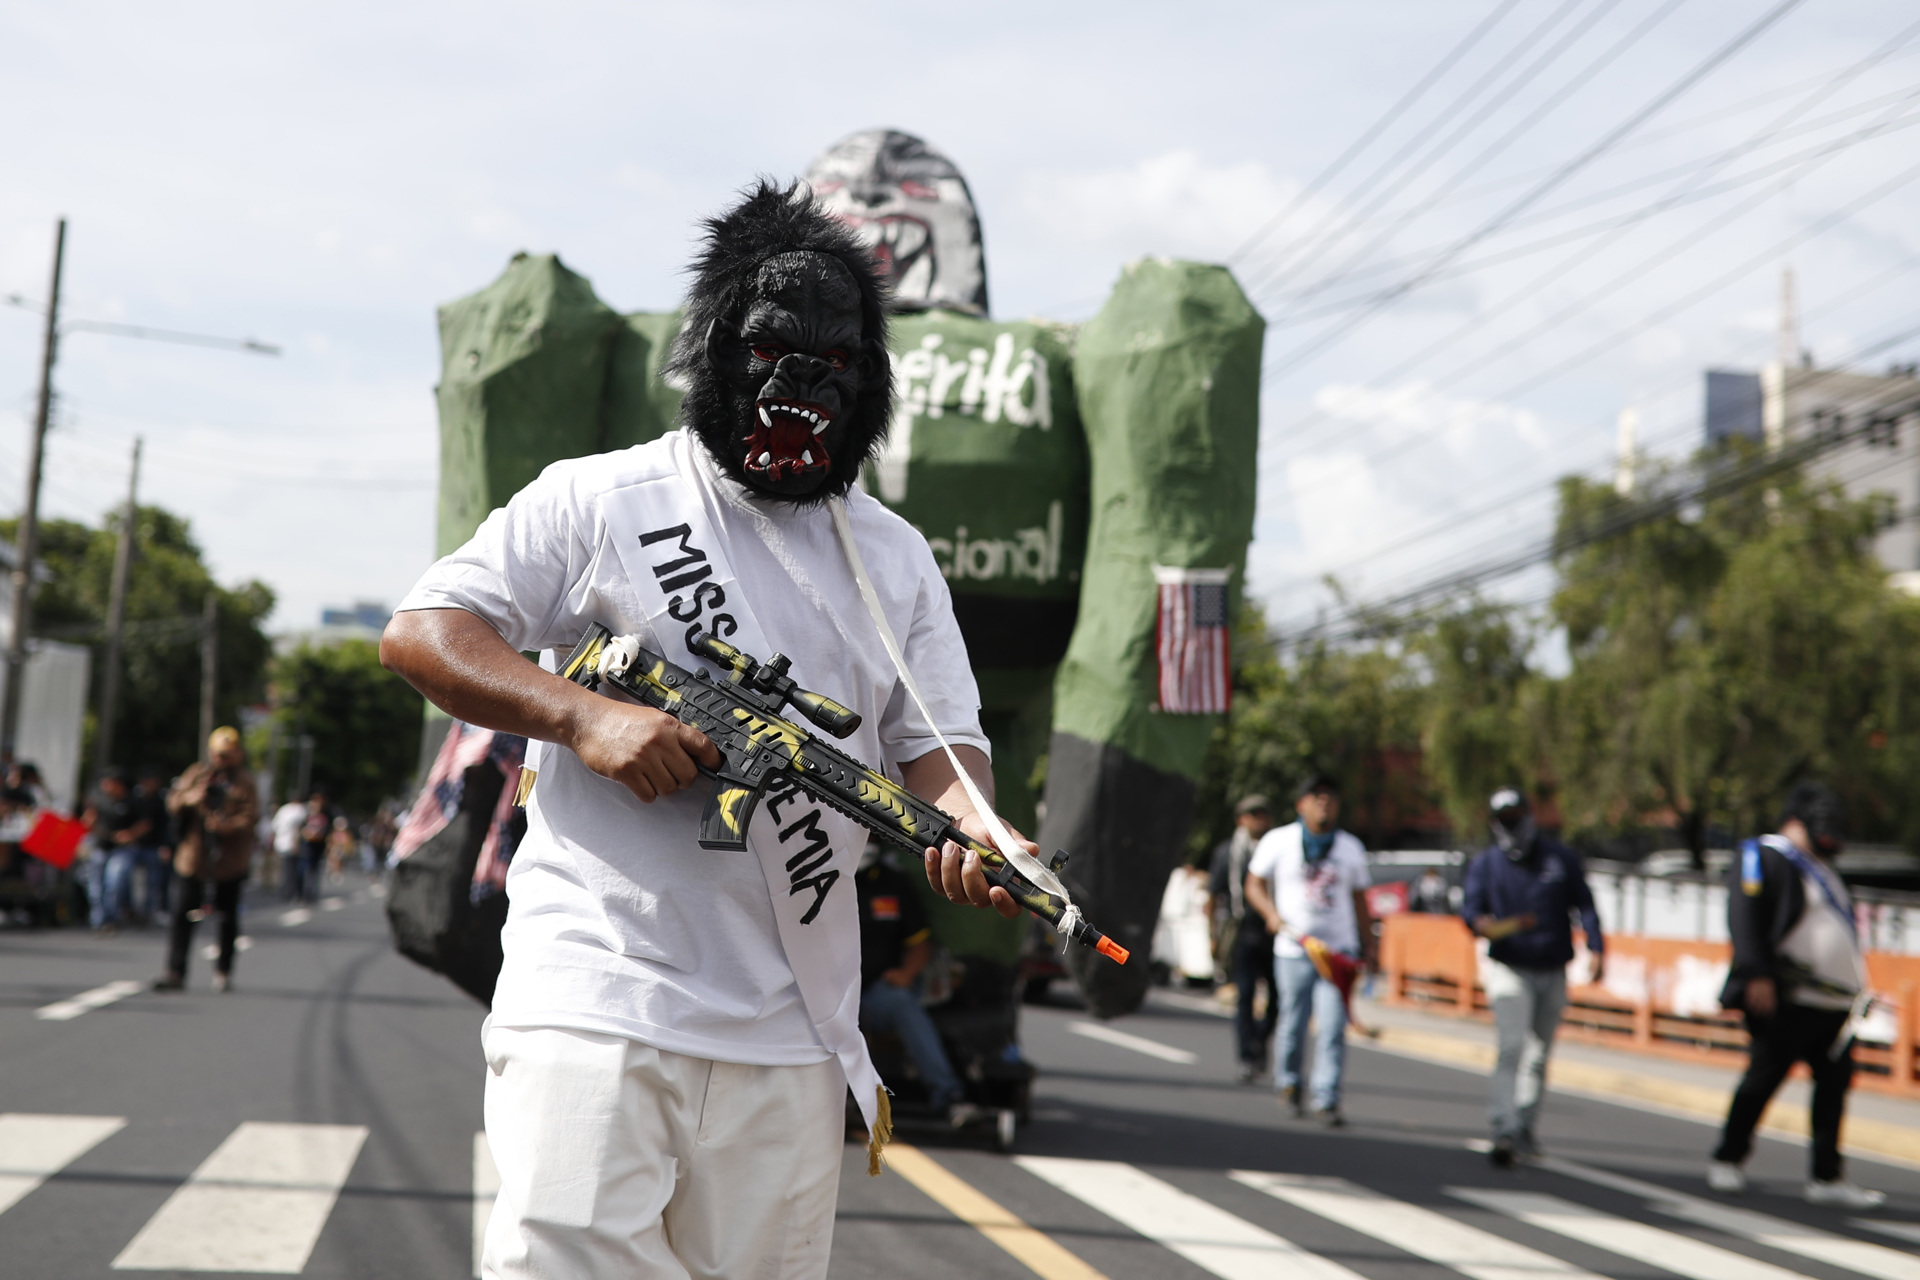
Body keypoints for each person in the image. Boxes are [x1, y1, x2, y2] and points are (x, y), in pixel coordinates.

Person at [379, 181, 1020, 1280]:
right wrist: (582, 716)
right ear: (716, 349)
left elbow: (939, 747)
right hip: (596, 991)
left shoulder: (897, 558)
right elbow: (423, 632)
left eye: (837, 359)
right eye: (772, 350)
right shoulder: (601, 499)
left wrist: (981, 829)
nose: (802, 384)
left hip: (790, 1026)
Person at [1708, 782, 1883, 1208]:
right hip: (1787, 998)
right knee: (1763, 1079)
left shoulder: (1824, 868)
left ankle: (1826, 1176)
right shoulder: (1764, 855)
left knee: (1834, 1087)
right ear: (1796, 821)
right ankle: (1728, 1158)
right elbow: (1745, 917)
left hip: (1833, 1005)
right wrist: (1756, 974)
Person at [1462, 787, 1605, 1167]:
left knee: (1539, 1054)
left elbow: (1585, 903)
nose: (1512, 827)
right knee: (1511, 1046)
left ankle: (1525, 1126)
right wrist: (1480, 923)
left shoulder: (1559, 858)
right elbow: (1471, 910)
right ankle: (1504, 1127)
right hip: (1510, 966)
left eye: (1516, 818)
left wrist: (1596, 946)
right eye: (1504, 820)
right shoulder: (1487, 864)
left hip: (1552, 967)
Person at [1245, 774, 1375, 1125]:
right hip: (1294, 949)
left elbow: (1360, 900)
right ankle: (1289, 1084)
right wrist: (1270, 914)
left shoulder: (1350, 847)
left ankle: (1326, 1097)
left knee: (1332, 1026)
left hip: (1337, 952)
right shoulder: (1279, 840)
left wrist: (1369, 944)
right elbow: (1253, 884)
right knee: (1293, 1022)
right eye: (1317, 797)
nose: (1324, 803)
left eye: (1330, 798)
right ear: (1301, 804)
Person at [856, 846, 965, 1118]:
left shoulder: (894, 882)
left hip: (873, 994)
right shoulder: (817, 879)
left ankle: (947, 1093)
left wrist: (906, 974)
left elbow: (920, 942)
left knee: (901, 1002)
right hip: (824, 994)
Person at [153, 727, 259, 994]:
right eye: (218, 754)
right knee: (182, 914)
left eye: (228, 755)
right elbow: (172, 802)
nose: (222, 760)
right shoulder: (197, 774)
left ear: (238, 754)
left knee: (227, 917)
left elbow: (250, 817)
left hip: (229, 861)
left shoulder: (245, 782)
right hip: (194, 859)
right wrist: (191, 798)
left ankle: (223, 971)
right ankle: (175, 971)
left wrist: (227, 825)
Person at [1209, 794, 1277, 1083]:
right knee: (1245, 996)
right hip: (1242, 930)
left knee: (1278, 998)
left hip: (1274, 931)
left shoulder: (1277, 849)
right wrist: (1213, 935)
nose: (1259, 820)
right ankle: (1246, 1057)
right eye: (1253, 815)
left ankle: (1259, 1039)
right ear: (1242, 820)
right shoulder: (1228, 852)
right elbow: (1213, 895)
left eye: (1263, 814)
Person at [82, 768, 149, 934]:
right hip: (100, 846)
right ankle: (98, 920)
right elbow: (87, 821)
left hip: (122, 849)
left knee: (115, 883)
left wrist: (130, 834)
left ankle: (111, 919)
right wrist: (89, 822)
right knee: (95, 887)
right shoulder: (98, 799)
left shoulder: (133, 801)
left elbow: (145, 823)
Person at [131, 766, 174, 919]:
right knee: (131, 881)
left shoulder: (163, 800)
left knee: (156, 881)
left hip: (155, 846)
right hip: (135, 845)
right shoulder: (136, 799)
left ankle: (152, 911)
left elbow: (167, 826)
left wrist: (166, 846)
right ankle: (132, 910)